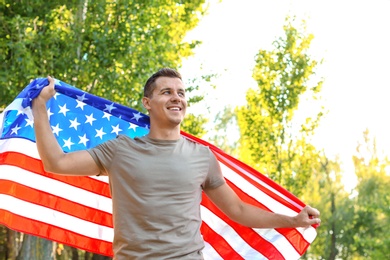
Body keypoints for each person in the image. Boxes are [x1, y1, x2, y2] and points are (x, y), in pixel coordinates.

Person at [32, 68, 320, 259]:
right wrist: (40, 108)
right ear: (147, 102)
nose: (176, 98)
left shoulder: (202, 156)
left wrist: (292, 220)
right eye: (167, 92)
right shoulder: (120, 150)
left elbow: (238, 210)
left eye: (181, 93)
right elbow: (55, 162)